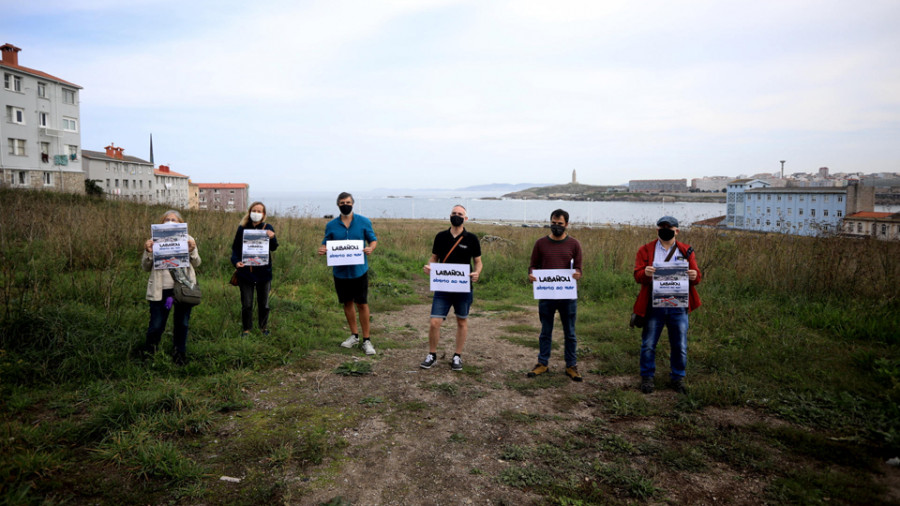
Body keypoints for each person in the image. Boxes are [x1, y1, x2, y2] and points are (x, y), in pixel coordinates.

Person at [633, 216, 702, 394]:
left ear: (676, 231)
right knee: (648, 344)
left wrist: (695, 276)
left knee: (680, 345)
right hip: (653, 305)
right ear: (657, 230)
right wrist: (645, 273)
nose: (665, 230)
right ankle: (647, 377)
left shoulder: (686, 250)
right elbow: (637, 276)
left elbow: (697, 277)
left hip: (678, 306)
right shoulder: (645, 250)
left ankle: (677, 378)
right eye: (662, 227)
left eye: (669, 227)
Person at [420, 205, 483, 372]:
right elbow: (434, 258)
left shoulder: (472, 238)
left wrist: (477, 273)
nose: (457, 216)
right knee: (435, 322)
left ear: (466, 218)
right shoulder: (440, 236)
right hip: (443, 287)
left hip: (463, 288)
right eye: (454, 213)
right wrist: (430, 267)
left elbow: (478, 261)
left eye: (460, 214)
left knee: (461, 321)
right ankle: (432, 355)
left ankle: (457, 356)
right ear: (449, 216)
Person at [526, 209, 584, 381]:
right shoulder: (540, 243)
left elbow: (579, 268)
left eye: (560, 224)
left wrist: (578, 274)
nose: (556, 226)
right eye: (553, 223)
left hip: (568, 298)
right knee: (545, 331)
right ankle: (542, 363)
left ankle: (571, 365)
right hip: (546, 296)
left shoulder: (574, 244)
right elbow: (533, 265)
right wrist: (531, 274)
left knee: (570, 333)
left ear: (566, 224)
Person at [318, 192, 378, 355]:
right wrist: (323, 249)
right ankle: (354, 336)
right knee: (347, 303)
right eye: (343, 202)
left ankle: (367, 340)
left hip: (359, 271)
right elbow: (325, 243)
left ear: (353, 203)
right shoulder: (331, 225)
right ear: (338, 204)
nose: (346, 204)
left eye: (348, 202)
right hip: (340, 272)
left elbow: (373, 239)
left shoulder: (364, 221)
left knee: (362, 304)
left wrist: (371, 248)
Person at [141, 210, 201, 365]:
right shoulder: (154, 241)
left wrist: (192, 250)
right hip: (162, 289)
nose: (170, 222)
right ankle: (150, 355)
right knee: (156, 324)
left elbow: (196, 263)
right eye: (167, 219)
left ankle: (179, 354)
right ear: (161, 223)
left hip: (182, 288)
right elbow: (145, 267)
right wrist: (148, 252)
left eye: (174, 220)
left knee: (182, 323)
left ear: (180, 223)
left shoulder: (188, 239)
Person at [231, 201, 279, 337]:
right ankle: (246, 329)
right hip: (246, 272)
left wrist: (272, 237)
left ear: (263, 214)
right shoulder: (242, 228)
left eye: (259, 211)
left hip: (264, 273)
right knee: (246, 304)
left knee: (264, 304)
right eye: (254, 210)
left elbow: (274, 247)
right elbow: (235, 249)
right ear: (249, 211)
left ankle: (263, 328)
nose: (256, 213)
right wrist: (236, 262)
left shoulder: (268, 227)